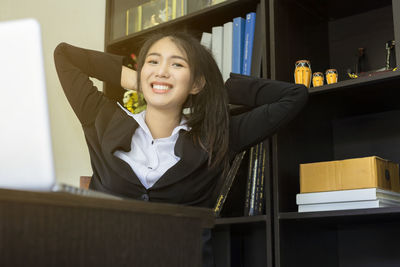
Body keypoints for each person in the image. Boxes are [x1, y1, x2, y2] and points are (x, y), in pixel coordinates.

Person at [54, 31, 308, 266]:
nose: (162, 71)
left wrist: (216, 89)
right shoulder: (103, 120)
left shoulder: (217, 137)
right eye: (153, 62)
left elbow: (293, 96)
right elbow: (65, 56)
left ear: (196, 83)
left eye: (177, 64)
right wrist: (136, 79)